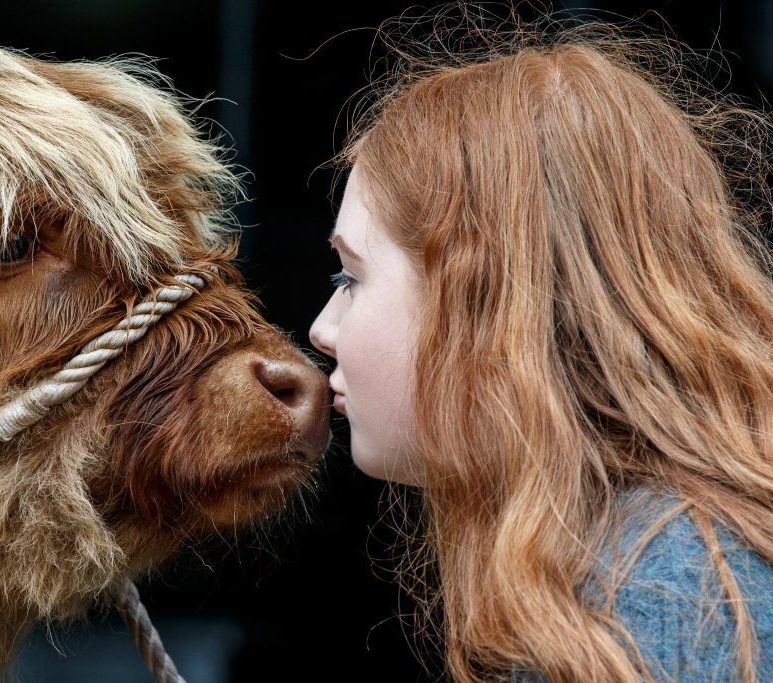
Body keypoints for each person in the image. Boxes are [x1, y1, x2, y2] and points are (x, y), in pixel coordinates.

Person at [309, 11, 773, 683]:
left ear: (488, 303)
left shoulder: (652, 603)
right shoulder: (660, 546)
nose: (322, 327)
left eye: (349, 276)